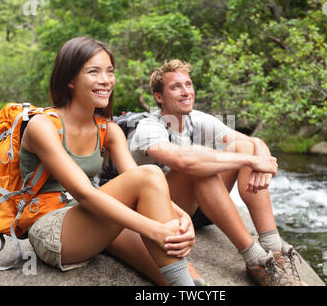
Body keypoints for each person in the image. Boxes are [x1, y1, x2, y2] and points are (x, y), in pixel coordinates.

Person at [21, 38, 199, 286]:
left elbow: (140, 180)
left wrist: (182, 218)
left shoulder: (109, 129)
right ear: (70, 80)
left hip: (94, 216)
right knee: (149, 177)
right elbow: (85, 194)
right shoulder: (43, 126)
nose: (106, 80)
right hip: (54, 228)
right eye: (93, 71)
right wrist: (153, 230)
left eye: (110, 71)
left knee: (191, 278)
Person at [127, 59, 307, 286]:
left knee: (243, 147)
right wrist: (253, 160)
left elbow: (250, 142)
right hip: (163, 213)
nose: (185, 92)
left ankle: (273, 247)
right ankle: (255, 260)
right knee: (198, 164)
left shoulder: (198, 119)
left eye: (188, 85)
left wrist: (259, 154)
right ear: (159, 97)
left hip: (199, 209)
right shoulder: (148, 127)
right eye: (176, 87)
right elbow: (183, 161)